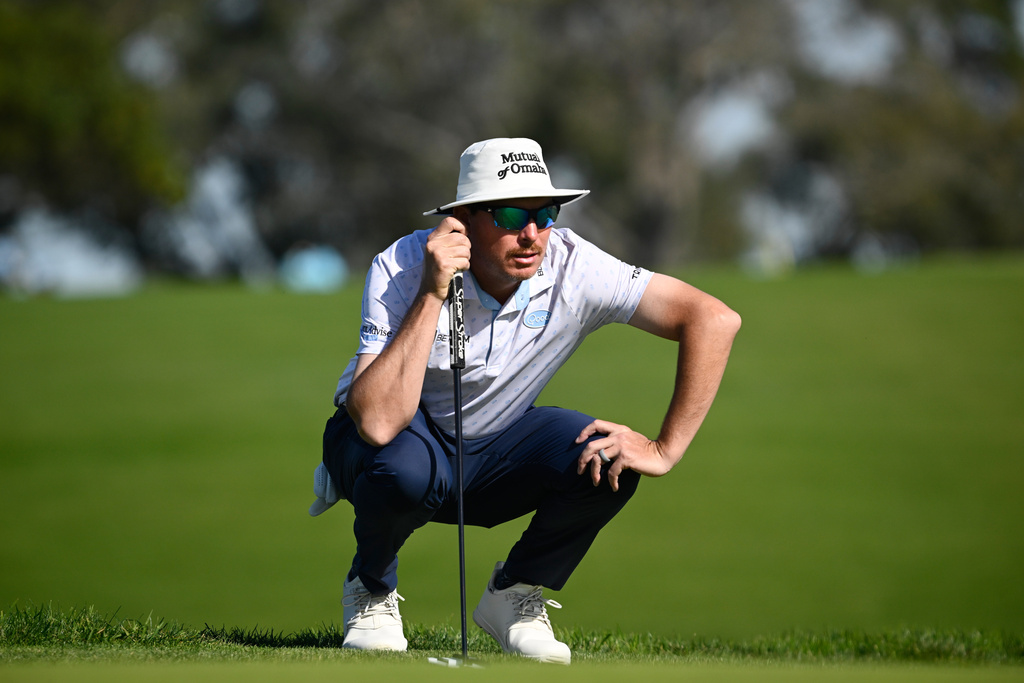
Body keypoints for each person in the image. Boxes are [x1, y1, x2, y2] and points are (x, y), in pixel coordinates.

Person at [309, 137, 740, 664]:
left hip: (492, 453)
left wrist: (664, 448)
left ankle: (513, 598)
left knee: (607, 457)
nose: (532, 233)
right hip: (386, 444)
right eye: (512, 214)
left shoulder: (574, 265)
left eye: (546, 213)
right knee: (402, 469)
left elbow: (714, 319)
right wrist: (431, 291)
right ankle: (371, 590)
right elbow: (377, 422)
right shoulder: (402, 264)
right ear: (464, 217)